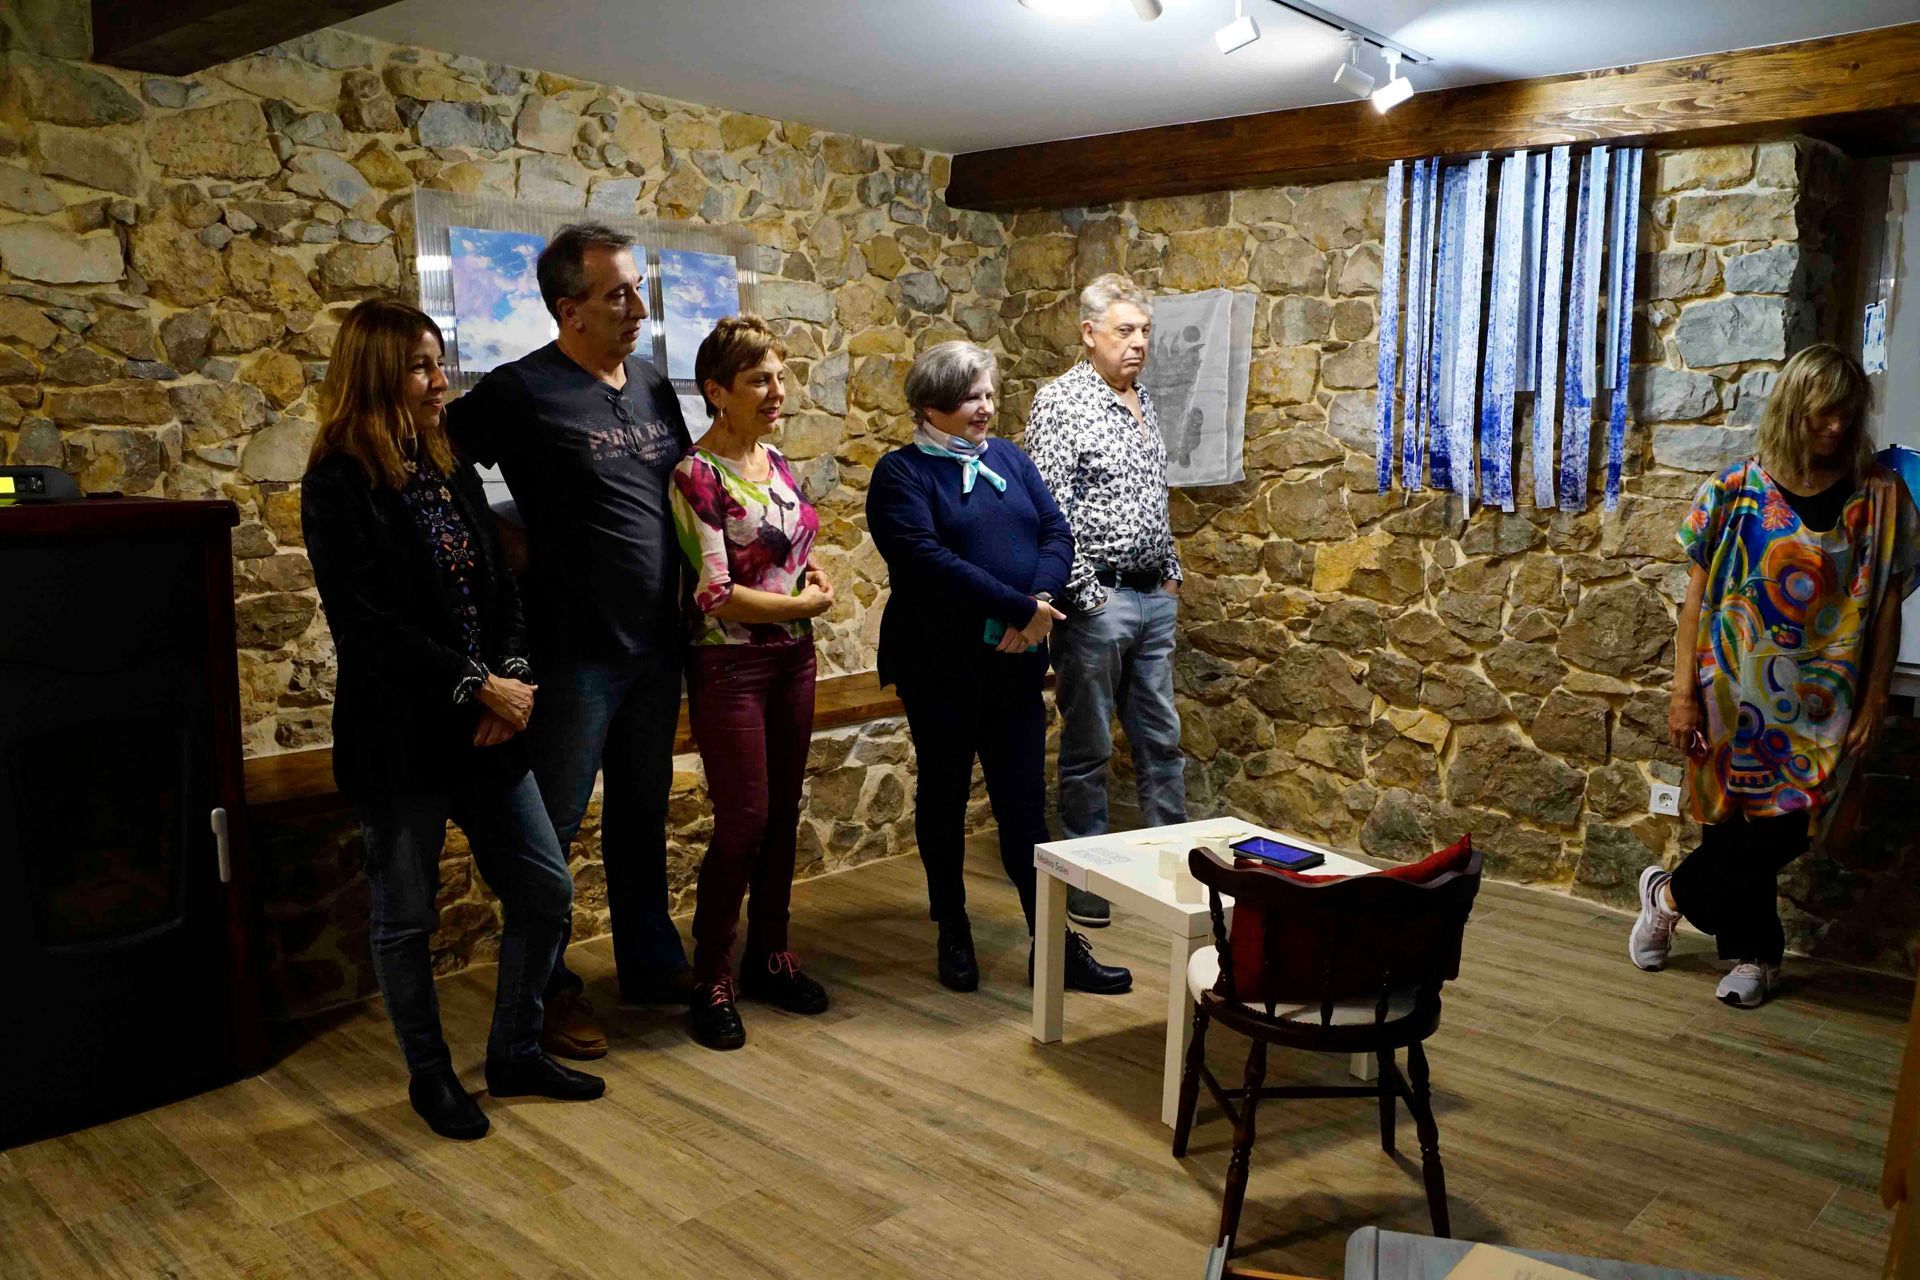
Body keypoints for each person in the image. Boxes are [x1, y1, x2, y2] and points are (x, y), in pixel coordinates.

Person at [302, 299, 601, 1141]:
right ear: (376, 375)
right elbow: (367, 624)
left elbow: (501, 585)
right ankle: (430, 1077)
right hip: (400, 740)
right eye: (422, 367)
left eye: (440, 364)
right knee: (406, 918)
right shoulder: (337, 480)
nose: (442, 383)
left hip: (487, 729)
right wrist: (477, 686)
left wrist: (512, 677)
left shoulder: (444, 461)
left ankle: (514, 1050)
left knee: (544, 890)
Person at [447, 223, 693, 1060]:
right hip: (573, 652)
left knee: (641, 813)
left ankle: (650, 962)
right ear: (569, 309)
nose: (638, 308)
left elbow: (681, 491)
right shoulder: (523, 389)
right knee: (549, 831)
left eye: (638, 289)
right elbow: (439, 460)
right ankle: (546, 992)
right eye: (617, 294)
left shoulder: (651, 384)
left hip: (656, 646)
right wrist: (501, 539)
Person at [1630, 343, 1919, 1008]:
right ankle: (1756, 957)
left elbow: (1887, 609)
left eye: (1847, 413)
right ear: (1792, 409)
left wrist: (1876, 696)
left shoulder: (1881, 497)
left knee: (1784, 830)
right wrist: (1681, 694)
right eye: (1821, 414)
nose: (1836, 427)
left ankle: (1667, 896)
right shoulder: (1733, 490)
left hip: (1822, 703)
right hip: (1728, 694)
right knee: (1731, 826)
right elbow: (1695, 602)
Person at [868, 340, 1131, 996]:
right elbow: (926, 561)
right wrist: (1020, 609)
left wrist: (1037, 602)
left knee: (1024, 809)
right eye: (970, 398)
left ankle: (1054, 942)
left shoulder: (1009, 457)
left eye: (988, 394)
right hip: (940, 669)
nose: (986, 407)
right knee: (944, 798)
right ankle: (952, 927)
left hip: (1015, 666)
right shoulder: (901, 474)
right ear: (931, 405)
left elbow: (1056, 533)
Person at [670, 316, 836, 1050]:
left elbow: (791, 548)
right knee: (744, 820)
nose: (776, 392)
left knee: (781, 817)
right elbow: (714, 594)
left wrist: (813, 577)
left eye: (779, 376)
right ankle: (710, 976)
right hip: (730, 665)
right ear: (717, 391)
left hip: (794, 660)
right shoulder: (696, 474)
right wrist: (803, 606)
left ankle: (771, 956)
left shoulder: (776, 460)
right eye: (758, 380)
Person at [1026, 272, 1188, 930]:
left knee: (1161, 742)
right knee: (1088, 748)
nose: (1139, 342)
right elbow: (1048, 510)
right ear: (1089, 333)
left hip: (1153, 598)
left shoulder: (1143, 399)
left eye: (1145, 330)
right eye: (1125, 330)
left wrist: (1171, 573)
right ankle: (1087, 881)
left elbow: (1155, 496)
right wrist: (1087, 596)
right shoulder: (1060, 402)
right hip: (1099, 601)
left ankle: (1178, 875)